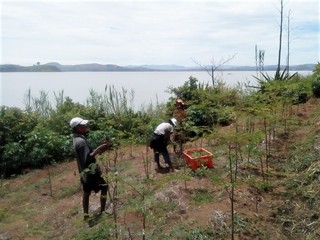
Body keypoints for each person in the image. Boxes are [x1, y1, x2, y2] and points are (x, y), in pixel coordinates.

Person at [70, 117, 110, 220]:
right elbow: (88, 157)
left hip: (84, 172)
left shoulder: (76, 139)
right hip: (91, 172)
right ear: (77, 128)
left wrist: (102, 148)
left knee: (86, 192)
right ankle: (102, 211)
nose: (85, 126)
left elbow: (89, 154)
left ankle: (86, 215)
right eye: (83, 125)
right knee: (104, 187)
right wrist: (100, 147)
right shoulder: (81, 142)